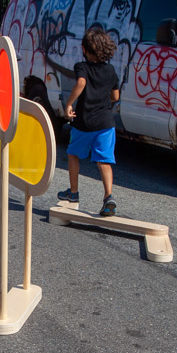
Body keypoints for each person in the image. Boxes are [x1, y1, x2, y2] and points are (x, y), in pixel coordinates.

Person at [57, 27, 121, 216]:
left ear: (84, 49)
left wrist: (69, 104)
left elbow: (82, 83)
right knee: (104, 161)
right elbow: (115, 96)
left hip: (84, 121)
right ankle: (108, 197)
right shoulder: (110, 70)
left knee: (73, 154)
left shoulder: (81, 67)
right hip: (105, 123)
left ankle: (74, 193)